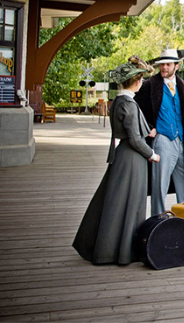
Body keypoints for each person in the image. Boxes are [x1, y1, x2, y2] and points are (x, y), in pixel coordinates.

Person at [73, 56, 159, 264]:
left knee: (115, 203)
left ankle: (108, 249)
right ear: (137, 82)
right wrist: (152, 154)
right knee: (131, 205)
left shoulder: (120, 101)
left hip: (123, 156)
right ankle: (123, 252)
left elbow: (131, 132)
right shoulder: (129, 104)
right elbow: (135, 139)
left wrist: (148, 133)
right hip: (132, 160)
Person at [135, 48, 184, 216]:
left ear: (176, 66)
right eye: (162, 65)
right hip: (162, 141)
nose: (164, 68)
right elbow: (136, 110)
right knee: (159, 185)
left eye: (168, 64)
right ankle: (157, 221)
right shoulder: (149, 85)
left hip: (183, 142)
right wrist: (147, 129)